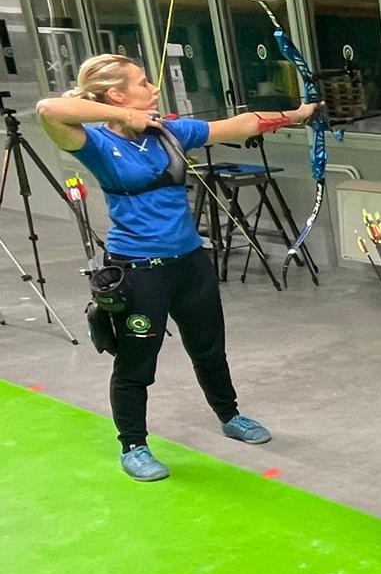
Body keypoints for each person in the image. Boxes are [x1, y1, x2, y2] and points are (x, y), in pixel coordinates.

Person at [36, 54, 316, 482]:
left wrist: (297, 115)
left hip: (190, 263)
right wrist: (125, 115)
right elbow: (48, 110)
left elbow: (239, 124)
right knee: (136, 362)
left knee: (209, 348)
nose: (154, 90)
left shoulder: (168, 132)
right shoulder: (92, 141)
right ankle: (133, 444)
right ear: (117, 94)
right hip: (139, 269)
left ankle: (230, 415)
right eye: (144, 83)